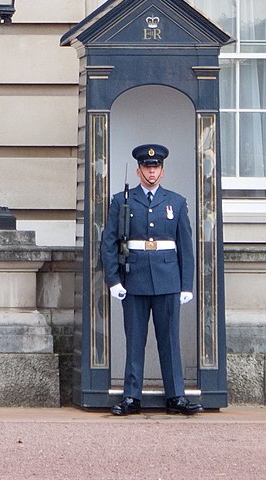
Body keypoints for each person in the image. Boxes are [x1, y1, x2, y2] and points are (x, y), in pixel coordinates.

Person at [101, 143, 201, 415]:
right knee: (135, 340)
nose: (152, 172)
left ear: (163, 171)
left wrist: (186, 284)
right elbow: (109, 242)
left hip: (167, 278)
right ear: (138, 170)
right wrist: (113, 280)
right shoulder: (122, 200)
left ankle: (176, 396)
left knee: (169, 339)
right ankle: (132, 397)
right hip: (134, 277)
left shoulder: (176, 202)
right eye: (147, 167)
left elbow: (185, 245)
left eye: (156, 167)